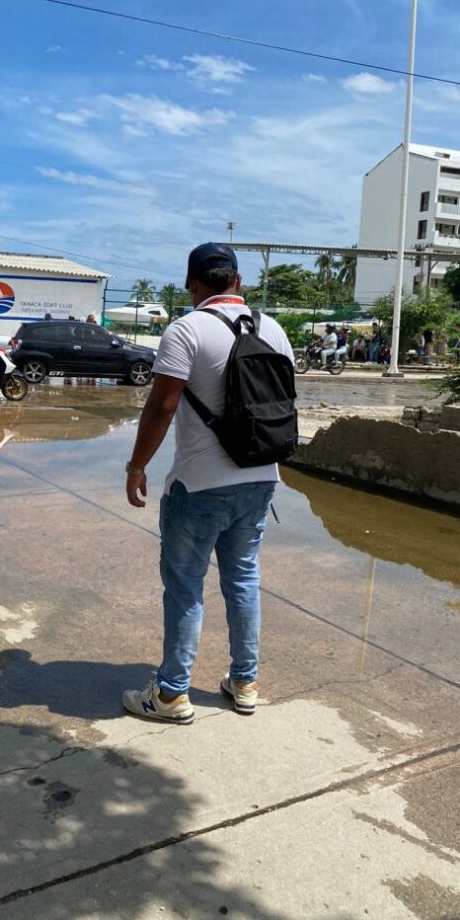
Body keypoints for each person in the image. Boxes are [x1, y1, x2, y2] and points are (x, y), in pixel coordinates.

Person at [121, 242, 294, 724]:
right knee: (243, 579)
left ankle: (173, 693)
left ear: (192, 283)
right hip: (261, 477)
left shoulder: (186, 329)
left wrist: (137, 467)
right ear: (238, 280)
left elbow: (162, 406)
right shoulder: (274, 329)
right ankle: (244, 682)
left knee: (184, 588)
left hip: (199, 484)